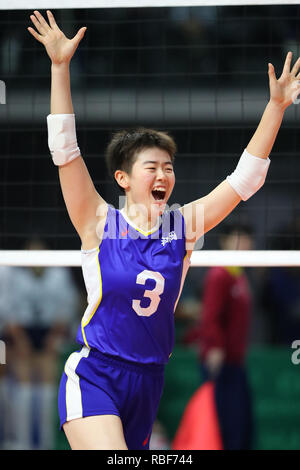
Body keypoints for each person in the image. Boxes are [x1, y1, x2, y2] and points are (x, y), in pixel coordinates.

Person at [27, 9, 300, 450]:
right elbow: (64, 150)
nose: (163, 175)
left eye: (168, 168)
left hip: (150, 379)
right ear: (123, 178)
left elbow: (244, 180)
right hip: (96, 374)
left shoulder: (183, 228)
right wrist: (60, 68)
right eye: (151, 166)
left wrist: (275, 107)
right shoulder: (98, 222)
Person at [184, 223, 254, 449]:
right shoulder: (219, 274)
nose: (244, 243)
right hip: (219, 364)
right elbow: (210, 316)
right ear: (224, 240)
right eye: (237, 236)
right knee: (223, 427)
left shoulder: (239, 275)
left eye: (246, 238)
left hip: (236, 363)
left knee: (242, 427)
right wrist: (214, 347)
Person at [4, 238, 78, 449]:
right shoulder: (12, 272)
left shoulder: (59, 273)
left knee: (47, 377)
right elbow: (7, 310)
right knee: (23, 378)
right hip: (20, 332)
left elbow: (66, 308)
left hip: (49, 332)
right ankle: (22, 440)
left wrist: (53, 338)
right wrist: (20, 340)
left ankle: (45, 441)